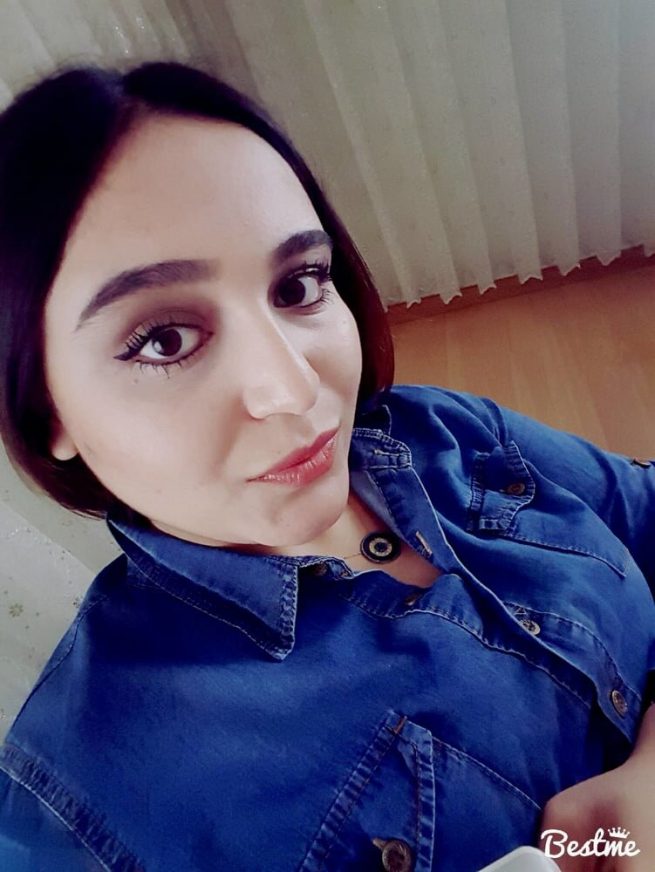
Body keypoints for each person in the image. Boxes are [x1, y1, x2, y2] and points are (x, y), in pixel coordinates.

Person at [0, 61, 652, 872]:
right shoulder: (83, 814)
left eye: (298, 285)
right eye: (163, 340)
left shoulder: (442, 429)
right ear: (46, 410)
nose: (294, 386)